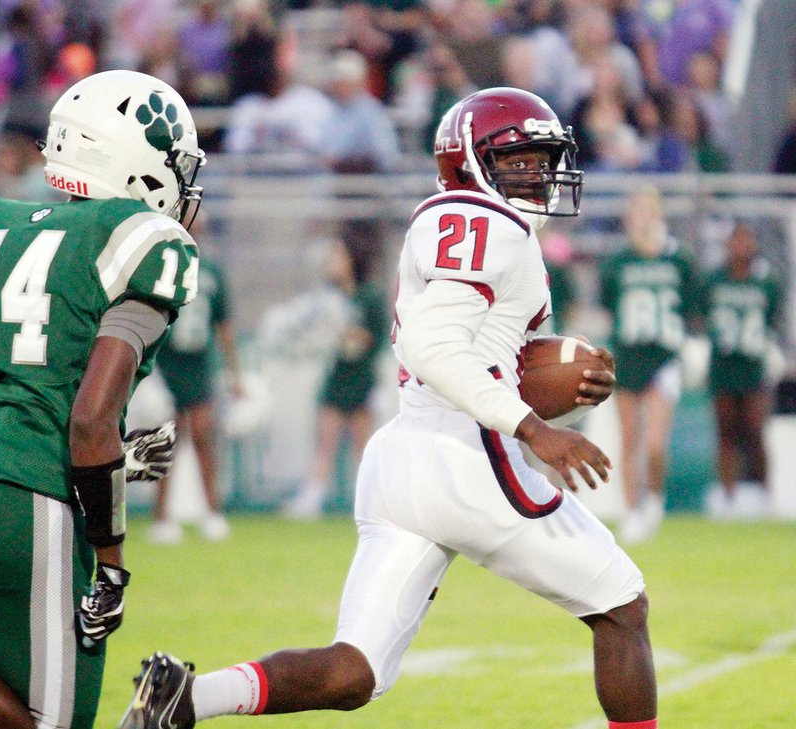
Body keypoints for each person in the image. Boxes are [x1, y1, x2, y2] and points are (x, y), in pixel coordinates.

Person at [121, 88, 658, 729]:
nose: (540, 174)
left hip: (405, 458)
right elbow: (434, 347)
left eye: (543, 159)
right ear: (471, 162)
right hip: (469, 459)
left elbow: (468, 346)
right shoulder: (486, 222)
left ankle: (183, 698)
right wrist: (535, 427)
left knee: (357, 671)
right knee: (622, 605)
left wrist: (541, 372)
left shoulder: (466, 221)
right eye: (520, 160)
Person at [0, 68, 204, 729]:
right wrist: (111, 565)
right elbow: (89, 417)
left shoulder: (5, 222)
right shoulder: (144, 236)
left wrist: (116, 461)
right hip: (28, 503)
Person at [599, 185, 698, 544]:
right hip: (628, 354)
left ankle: (654, 501)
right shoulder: (618, 262)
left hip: (663, 355)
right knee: (628, 439)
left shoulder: (678, 259)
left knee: (655, 442)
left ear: (658, 215)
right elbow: (610, 304)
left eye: (646, 210)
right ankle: (631, 511)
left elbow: (691, 305)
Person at [283, 220, 390, 519]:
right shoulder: (328, 296)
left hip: (362, 378)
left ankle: (373, 503)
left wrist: (339, 330)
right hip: (337, 376)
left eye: (337, 256)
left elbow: (370, 338)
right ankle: (311, 499)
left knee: (363, 448)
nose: (332, 262)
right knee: (325, 442)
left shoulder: (368, 296)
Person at [149, 215, 244, 544]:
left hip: (200, 362)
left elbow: (224, 326)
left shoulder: (212, 271)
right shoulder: (161, 265)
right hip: (166, 362)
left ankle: (212, 512)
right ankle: (162, 517)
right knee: (166, 441)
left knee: (204, 436)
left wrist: (235, 374)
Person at [698, 222, 784, 519]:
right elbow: (702, 315)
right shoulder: (714, 280)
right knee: (726, 432)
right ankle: (728, 496)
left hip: (753, 366)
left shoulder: (766, 281)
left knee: (756, 430)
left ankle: (765, 493)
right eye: (736, 240)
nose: (741, 246)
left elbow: (773, 319)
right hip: (723, 364)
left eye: (747, 240)